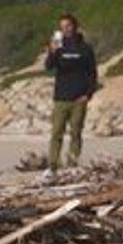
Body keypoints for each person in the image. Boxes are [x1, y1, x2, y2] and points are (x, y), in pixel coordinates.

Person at [41, 13, 98, 183]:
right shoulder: (59, 47)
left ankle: (72, 165)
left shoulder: (85, 48)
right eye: (62, 27)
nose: (65, 29)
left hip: (79, 99)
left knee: (76, 133)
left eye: (68, 26)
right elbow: (48, 67)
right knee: (56, 132)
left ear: (75, 26)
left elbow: (92, 74)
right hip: (61, 98)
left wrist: (88, 94)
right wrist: (52, 51)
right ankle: (52, 166)